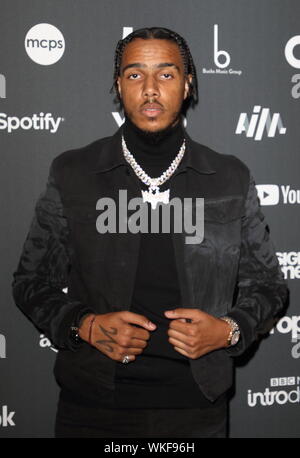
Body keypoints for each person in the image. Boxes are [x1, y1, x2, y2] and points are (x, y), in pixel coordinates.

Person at [12, 27, 288, 438]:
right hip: (92, 405)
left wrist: (228, 330)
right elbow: (31, 282)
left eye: (167, 74)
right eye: (136, 75)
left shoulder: (228, 177)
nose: (151, 89)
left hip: (196, 408)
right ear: (118, 84)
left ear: (188, 83)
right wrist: (85, 325)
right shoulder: (74, 173)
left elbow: (269, 286)